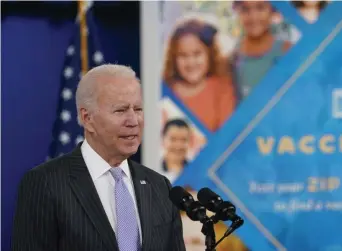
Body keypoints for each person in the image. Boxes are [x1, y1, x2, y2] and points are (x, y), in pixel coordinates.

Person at [11, 64, 186, 251]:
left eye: (138, 109)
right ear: (87, 118)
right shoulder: (45, 183)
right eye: (120, 110)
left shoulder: (159, 186)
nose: (134, 121)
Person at [163, 19, 236, 132]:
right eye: (183, 55)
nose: (191, 62)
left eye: (197, 54)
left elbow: (227, 135)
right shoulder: (166, 90)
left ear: (209, 54)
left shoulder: (222, 88)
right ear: (174, 58)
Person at [231, 0, 293, 101]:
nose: (253, 17)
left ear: (272, 10)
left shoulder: (287, 51)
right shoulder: (233, 58)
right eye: (245, 9)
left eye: (260, 8)